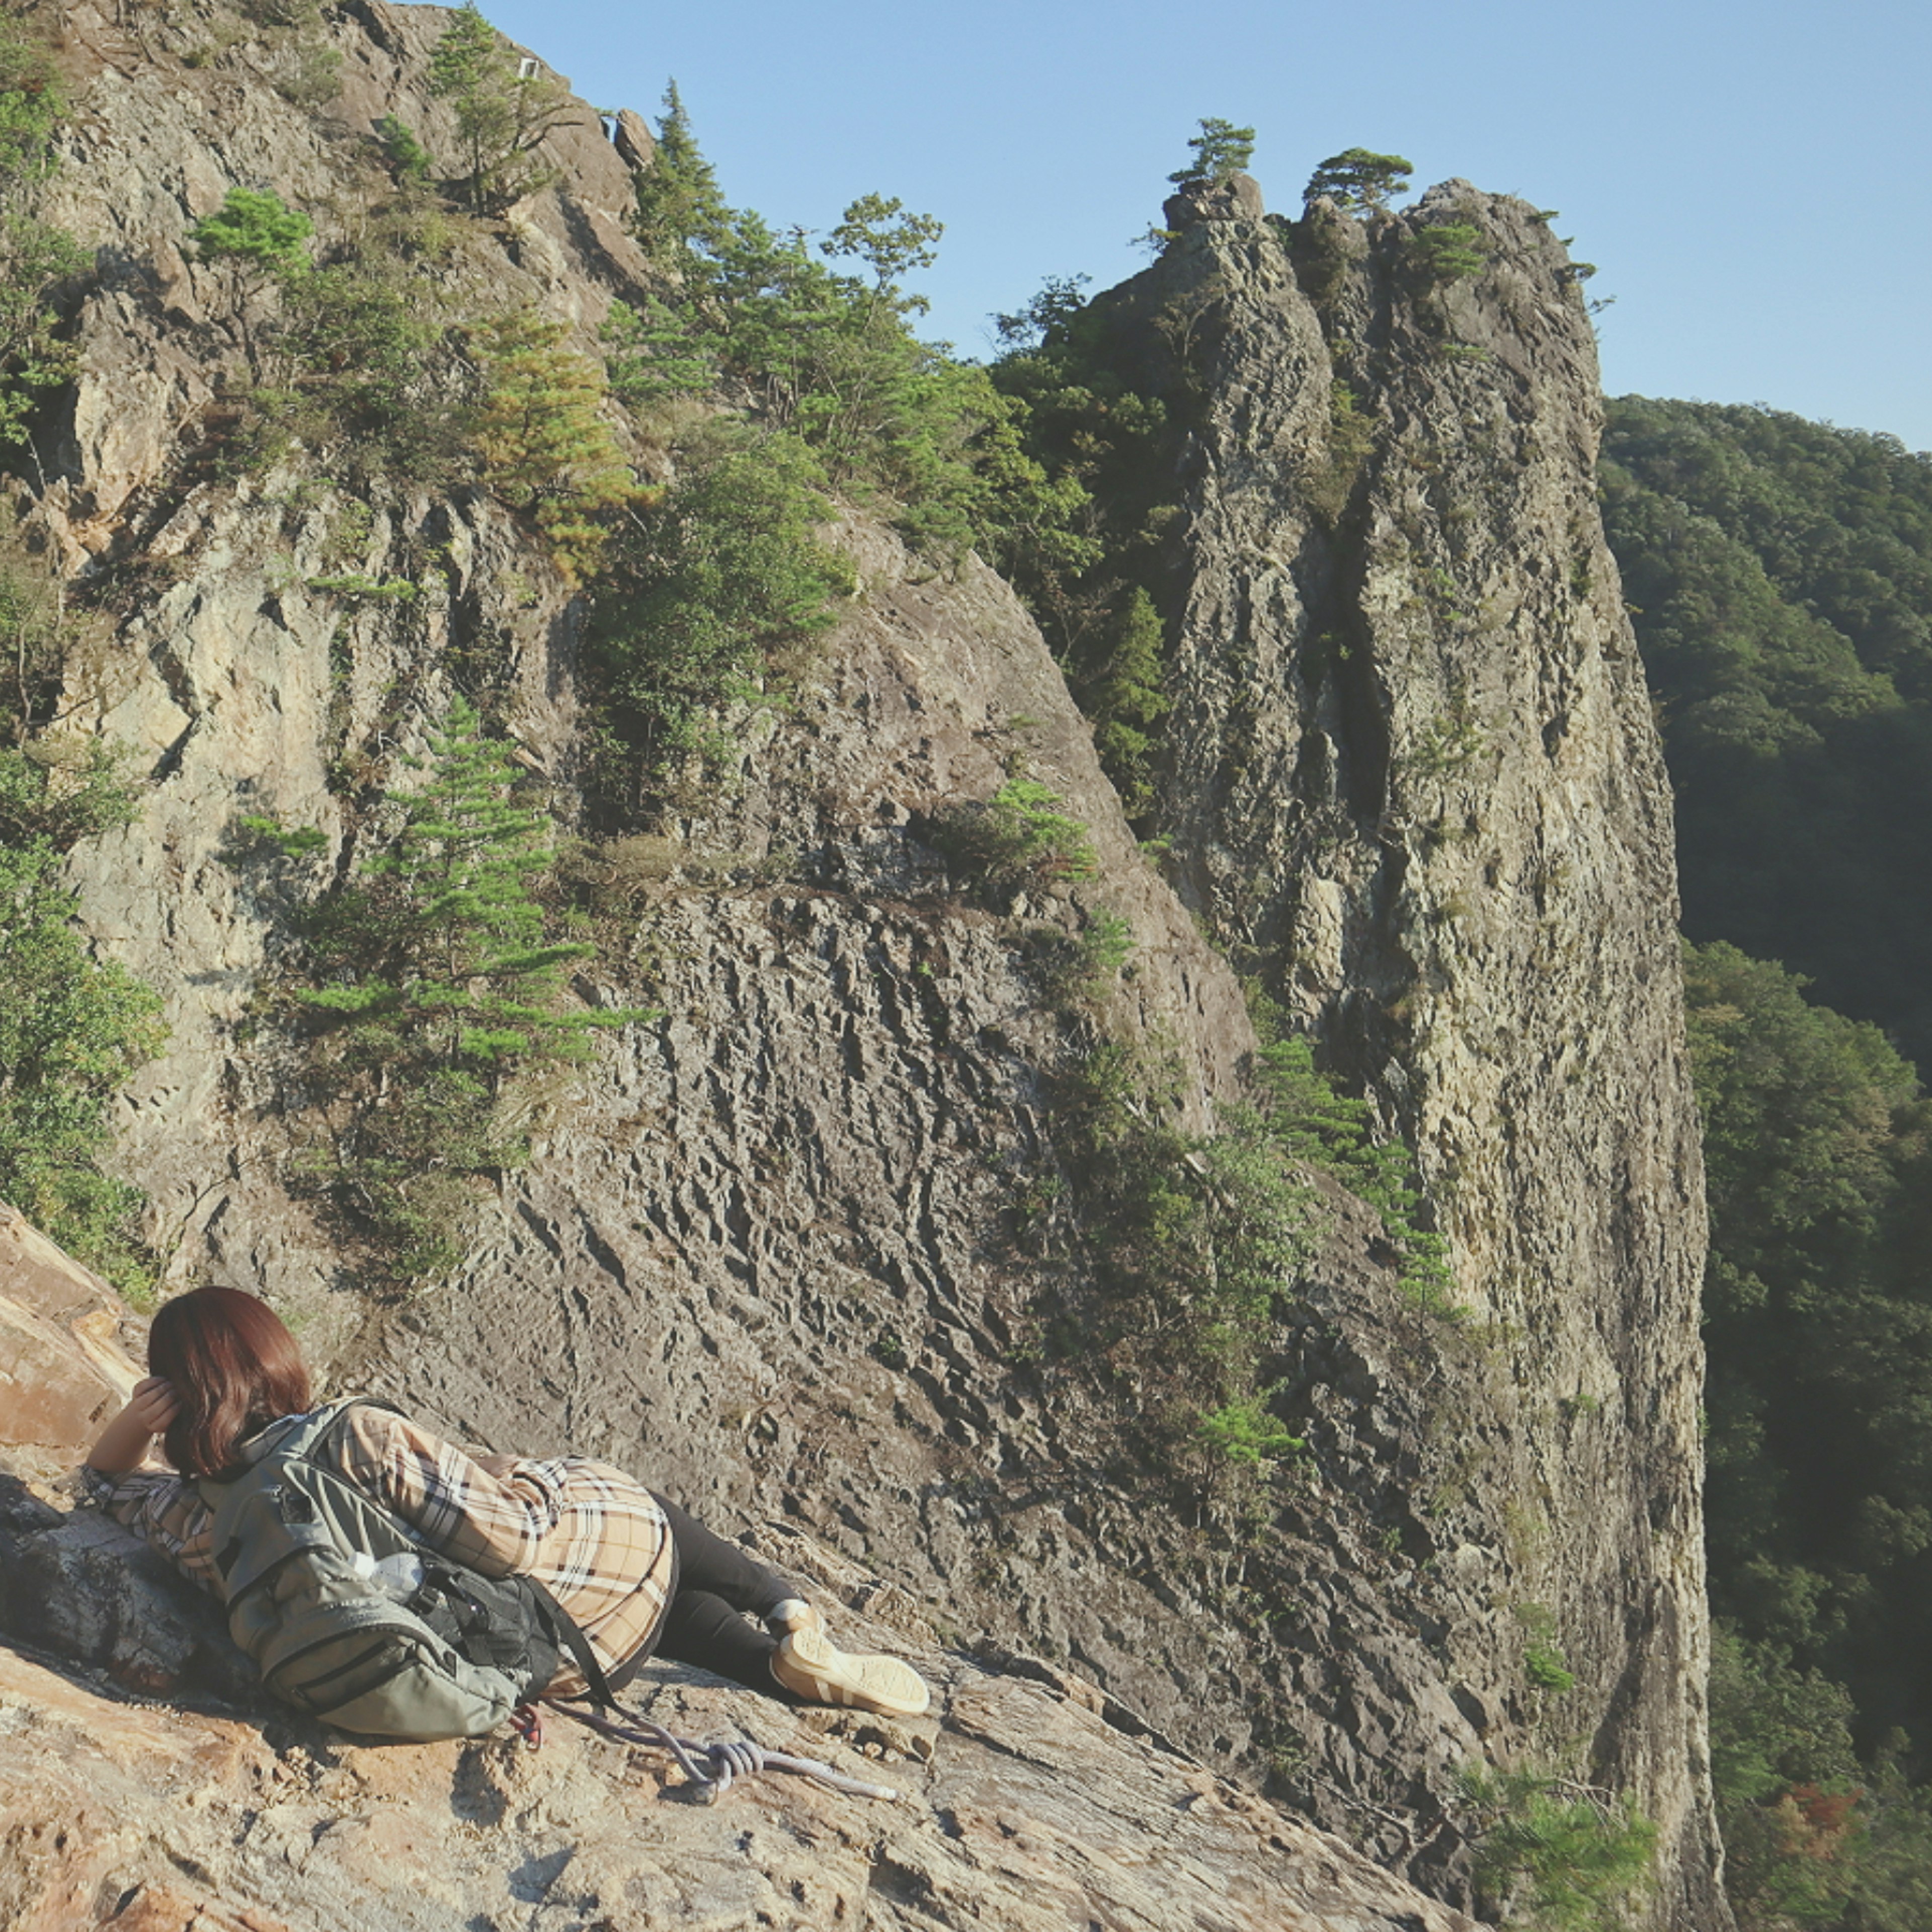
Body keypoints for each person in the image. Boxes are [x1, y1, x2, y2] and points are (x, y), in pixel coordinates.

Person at [79, 1285, 929, 1720]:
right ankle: (786, 1616)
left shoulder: (205, 1520)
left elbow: (107, 1486)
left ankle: (768, 1654)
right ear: (276, 1363)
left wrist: (134, 1423)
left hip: (494, 1672)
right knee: (628, 1504)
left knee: (641, 1600)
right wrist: (530, 1473)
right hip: (558, 1619)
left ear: (178, 1400)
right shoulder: (360, 1436)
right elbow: (515, 1543)